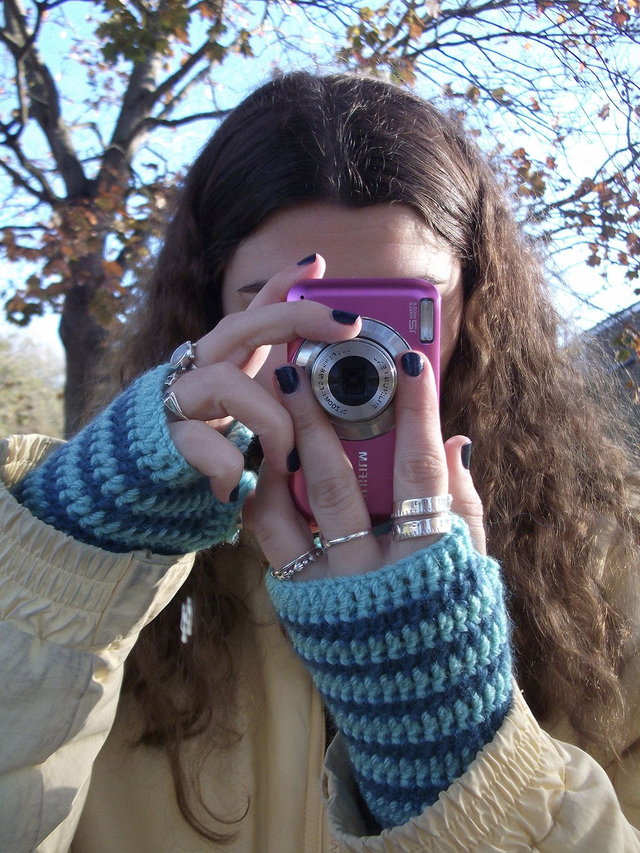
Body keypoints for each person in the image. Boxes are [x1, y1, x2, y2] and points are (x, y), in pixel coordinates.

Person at [0, 71, 639, 853]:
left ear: (474, 309)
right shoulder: (101, 532)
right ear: (213, 314)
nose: (350, 358)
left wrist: (458, 769)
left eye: (400, 313)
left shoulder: (609, 563)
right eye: (290, 312)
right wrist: (59, 576)